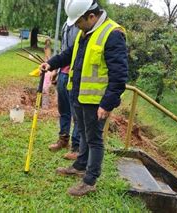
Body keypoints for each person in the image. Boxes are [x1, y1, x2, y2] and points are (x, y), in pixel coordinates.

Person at [39, 0, 128, 196]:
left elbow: (119, 76)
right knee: (85, 135)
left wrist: (107, 103)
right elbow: (70, 54)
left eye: (78, 22)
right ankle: (80, 165)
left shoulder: (112, 34)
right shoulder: (85, 32)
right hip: (79, 95)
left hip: (96, 101)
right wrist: (51, 64)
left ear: (91, 16)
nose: (77, 26)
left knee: (94, 139)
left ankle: (90, 180)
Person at [48, 21, 81, 160]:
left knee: (77, 113)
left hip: (76, 75)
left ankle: (77, 147)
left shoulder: (83, 24)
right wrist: (55, 69)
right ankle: (63, 140)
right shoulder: (66, 24)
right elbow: (64, 50)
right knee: (64, 110)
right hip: (63, 72)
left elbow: (77, 51)